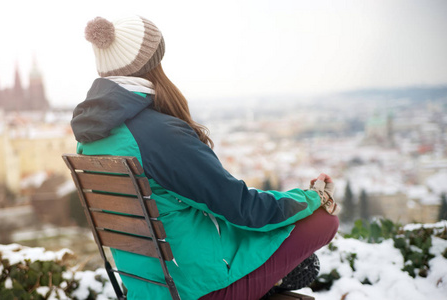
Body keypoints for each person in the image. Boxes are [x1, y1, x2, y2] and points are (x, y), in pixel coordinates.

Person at [71, 15, 340, 300]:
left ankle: (274, 270)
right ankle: (275, 272)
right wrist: (312, 197)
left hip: (148, 286)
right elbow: (242, 208)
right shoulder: (158, 134)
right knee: (324, 220)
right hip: (195, 290)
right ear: (154, 64)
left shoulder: (91, 138)